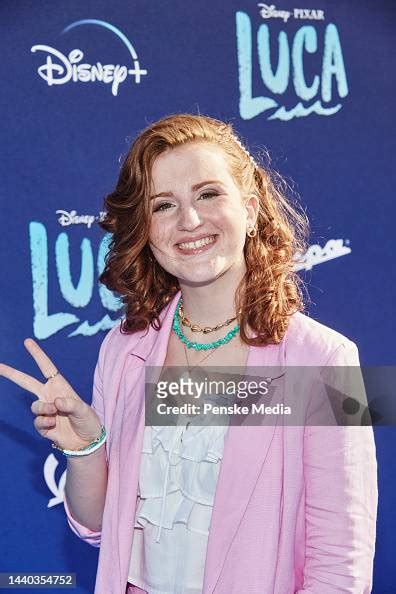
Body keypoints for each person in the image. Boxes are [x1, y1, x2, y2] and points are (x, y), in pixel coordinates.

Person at [0, 114, 377, 594]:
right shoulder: (124, 349)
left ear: (252, 208)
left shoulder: (328, 359)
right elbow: (95, 527)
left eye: (208, 194)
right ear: (146, 230)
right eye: (163, 205)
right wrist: (86, 449)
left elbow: (341, 566)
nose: (190, 221)